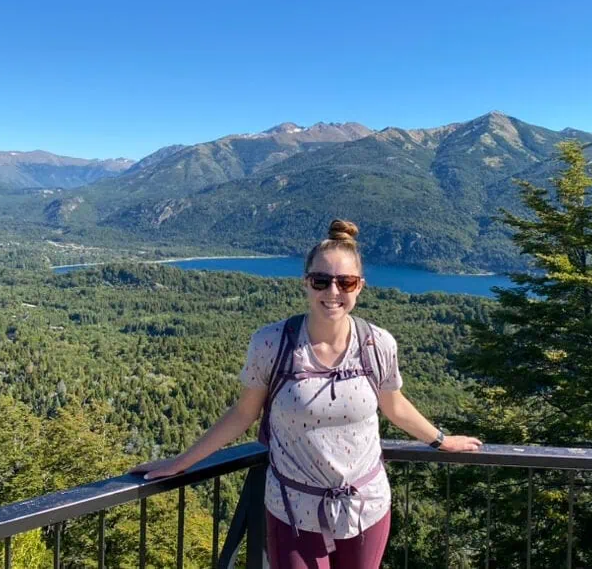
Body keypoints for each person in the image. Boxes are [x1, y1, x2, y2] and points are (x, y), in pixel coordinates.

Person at [131, 219, 482, 568]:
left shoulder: (377, 344)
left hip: (365, 507)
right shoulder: (272, 344)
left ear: (360, 287)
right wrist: (180, 464)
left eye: (345, 282)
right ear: (306, 284)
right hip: (291, 508)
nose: (333, 292)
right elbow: (243, 414)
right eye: (321, 281)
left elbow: (395, 406)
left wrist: (441, 440)